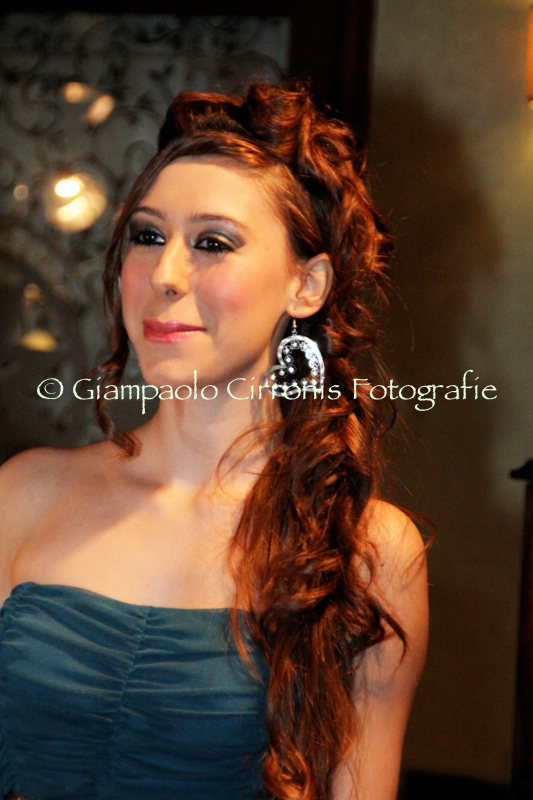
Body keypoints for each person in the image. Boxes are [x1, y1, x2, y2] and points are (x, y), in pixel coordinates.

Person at [0, 83, 428, 800]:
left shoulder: (367, 550)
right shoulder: (21, 494)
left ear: (307, 284)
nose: (165, 275)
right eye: (147, 236)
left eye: (212, 243)